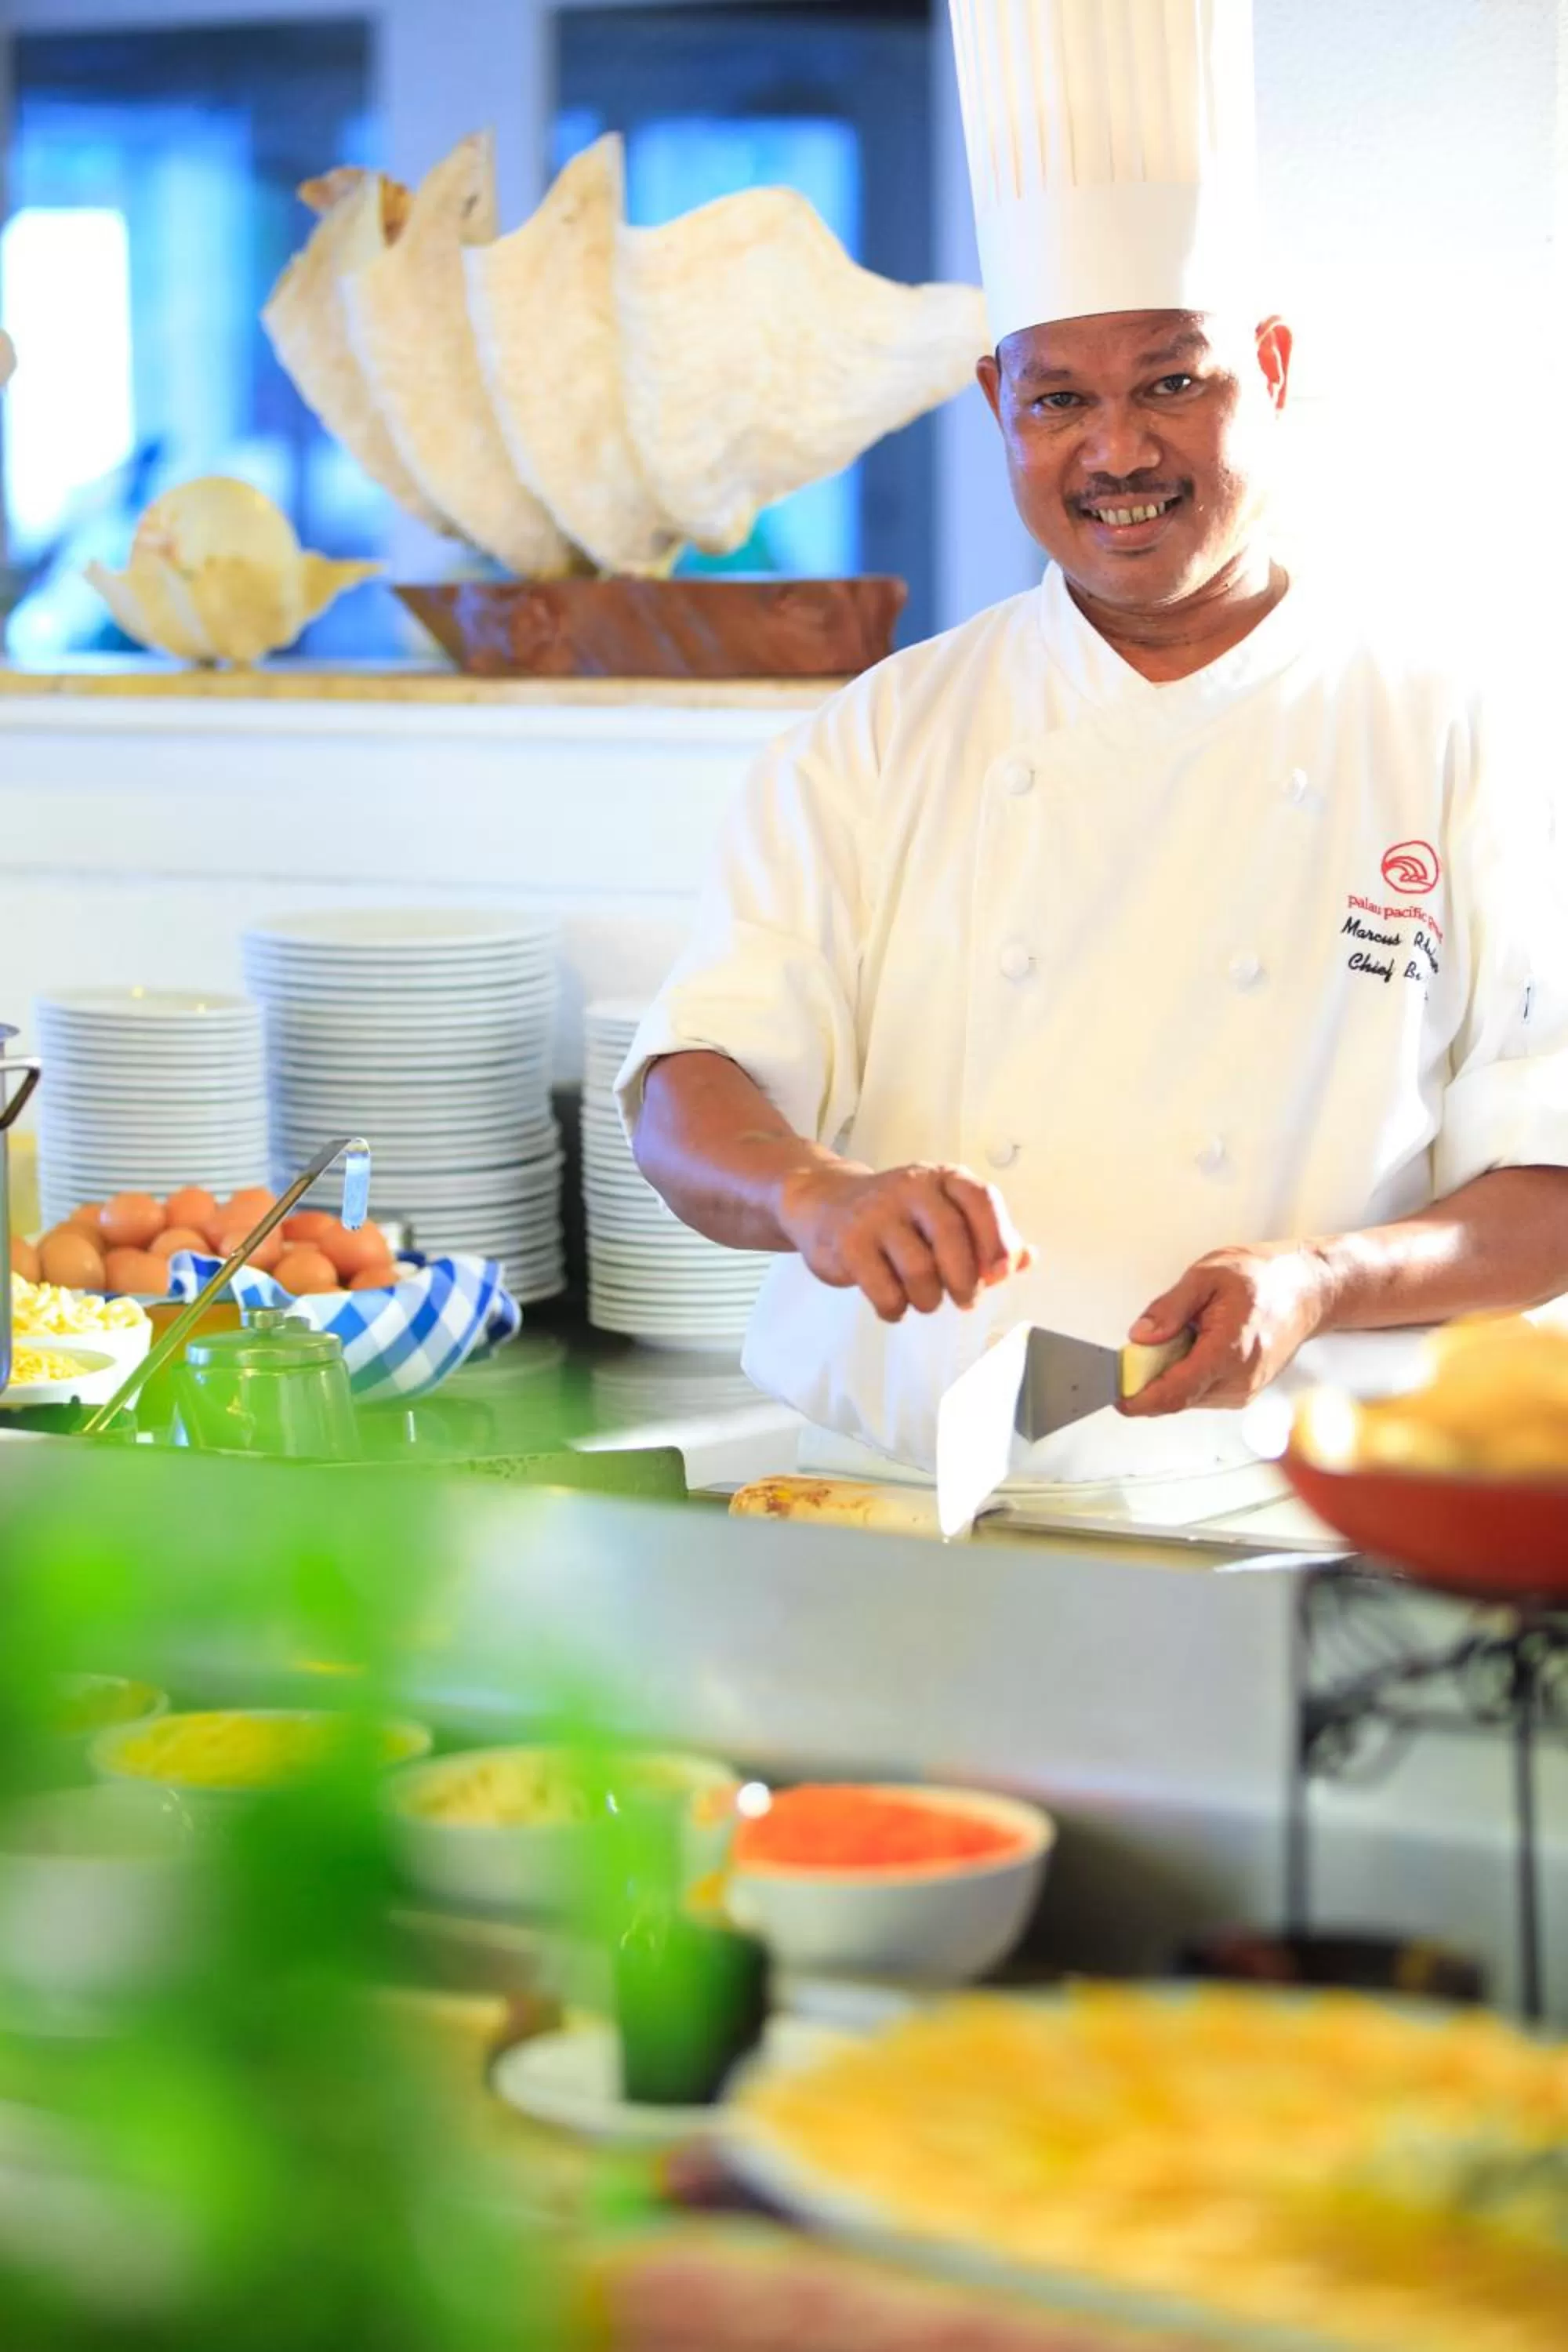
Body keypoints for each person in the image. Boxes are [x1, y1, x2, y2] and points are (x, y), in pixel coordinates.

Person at [616, 0, 1568, 1489]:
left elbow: (1549, 1183)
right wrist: (816, 1195)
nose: (1118, 452)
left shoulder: (1456, 732)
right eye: (1060, 398)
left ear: (1270, 364)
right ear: (998, 400)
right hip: (892, 1496)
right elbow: (693, 1086)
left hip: (1281, 1503)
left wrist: (1322, 1278)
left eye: (1173, 383)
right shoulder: (878, 737)